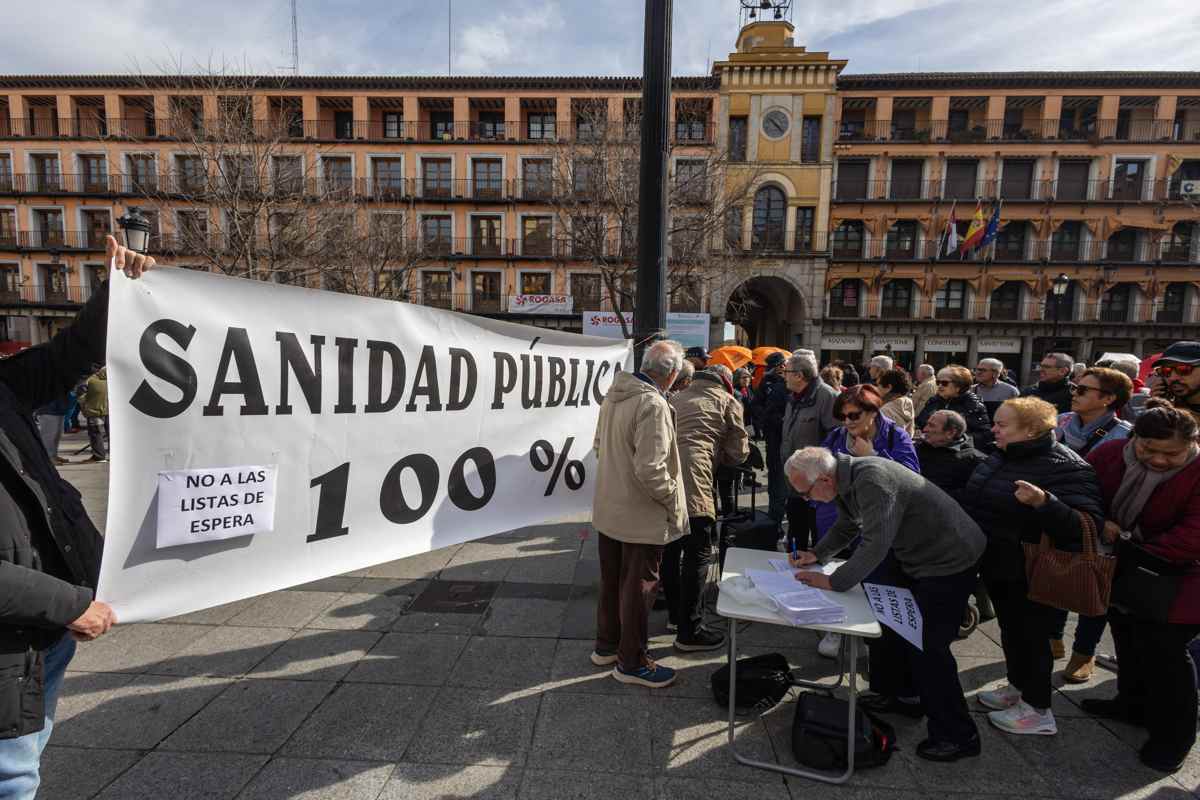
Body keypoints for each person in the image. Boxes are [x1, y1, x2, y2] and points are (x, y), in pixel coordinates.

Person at [0, 235, 151, 799]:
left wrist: (123, 292)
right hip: (18, 641)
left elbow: (68, 355)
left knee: (26, 760)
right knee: (13, 780)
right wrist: (72, 604)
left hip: (38, 639)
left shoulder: (3, 388)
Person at [786, 447, 986, 762]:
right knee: (891, 624)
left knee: (928, 647)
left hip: (949, 559)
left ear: (824, 478)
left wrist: (835, 581)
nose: (809, 500)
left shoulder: (872, 480)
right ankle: (902, 696)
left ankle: (959, 734)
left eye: (807, 492)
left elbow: (875, 543)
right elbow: (848, 525)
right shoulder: (842, 477)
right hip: (915, 554)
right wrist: (818, 554)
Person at [961, 397, 1104, 737]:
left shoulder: (1066, 465)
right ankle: (1017, 687)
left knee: (1034, 638)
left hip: (1032, 570)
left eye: (1002, 425)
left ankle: (1039, 710)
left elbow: (1086, 524)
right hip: (999, 564)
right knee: (1013, 632)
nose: (993, 429)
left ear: (1031, 431)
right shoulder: (1004, 454)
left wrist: (1045, 503)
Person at [1082, 401, 1200, 773]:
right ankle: (1130, 704)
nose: (1159, 461)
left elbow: (1192, 536)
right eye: (1149, 450)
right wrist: (1100, 523)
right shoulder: (1110, 453)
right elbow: (1085, 494)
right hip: (1125, 568)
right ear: (1134, 438)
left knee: (1166, 653)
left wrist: (1129, 546)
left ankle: (1174, 737)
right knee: (1127, 635)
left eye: (1172, 454)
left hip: (1185, 577)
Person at [592, 339, 689, 688]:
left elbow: (599, 446)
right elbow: (651, 469)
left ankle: (607, 646)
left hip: (610, 508)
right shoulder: (652, 404)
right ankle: (631, 662)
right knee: (639, 588)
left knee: (613, 582)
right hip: (640, 514)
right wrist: (672, 499)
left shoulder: (614, 395)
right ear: (673, 374)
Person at [813, 384, 919, 657]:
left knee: (874, 577)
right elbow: (819, 468)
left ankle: (866, 633)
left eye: (854, 415)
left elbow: (911, 478)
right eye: (843, 416)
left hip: (878, 521)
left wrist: (872, 457)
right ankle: (836, 629)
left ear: (873, 412)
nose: (847, 421)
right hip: (838, 519)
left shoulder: (896, 437)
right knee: (834, 573)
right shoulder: (836, 436)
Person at [1045, 367, 1134, 681]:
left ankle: (1085, 652)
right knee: (1054, 575)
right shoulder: (1061, 422)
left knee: (1095, 588)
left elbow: (1128, 487)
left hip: (1102, 520)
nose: (1075, 393)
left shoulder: (1125, 434)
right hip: (1059, 513)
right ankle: (1053, 638)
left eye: (1083, 390)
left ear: (1108, 399)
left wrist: (1109, 519)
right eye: (1075, 387)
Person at [666, 364, 748, 652]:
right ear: (726, 382)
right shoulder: (728, 401)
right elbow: (738, 453)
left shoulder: (675, 396)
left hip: (664, 481)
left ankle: (675, 616)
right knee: (698, 553)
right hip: (695, 483)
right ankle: (690, 630)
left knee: (671, 549)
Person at [779, 353, 838, 552]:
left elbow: (836, 440)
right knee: (796, 533)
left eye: (786, 372)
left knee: (819, 535)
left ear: (799, 375)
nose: (783, 376)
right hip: (796, 482)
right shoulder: (794, 397)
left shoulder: (827, 397)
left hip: (817, 485)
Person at [915, 365, 994, 451]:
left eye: (945, 383)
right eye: (938, 382)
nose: (940, 386)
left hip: (957, 453)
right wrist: (918, 430)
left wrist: (955, 440)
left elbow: (984, 434)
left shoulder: (973, 404)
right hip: (928, 449)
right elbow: (920, 422)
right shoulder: (934, 400)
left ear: (958, 386)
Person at [753, 352, 791, 522]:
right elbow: (756, 405)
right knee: (775, 476)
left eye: (780, 365)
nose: (779, 369)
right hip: (773, 437)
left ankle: (786, 512)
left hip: (790, 438)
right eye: (776, 367)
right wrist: (765, 419)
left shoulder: (792, 382)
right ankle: (774, 514)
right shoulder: (765, 382)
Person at [1150, 341, 1200, 426]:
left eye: (1184, 369)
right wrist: (1156, 411)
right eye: (1165, 371)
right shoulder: (1165, 408)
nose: (1172, 378)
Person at [81, 367, 109, 463]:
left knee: (96, 434)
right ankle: (116, 456)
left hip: (94, 411)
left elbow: (80, 394)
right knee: (113, 435)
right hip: (111, 411)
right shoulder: (113, 377)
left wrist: (85, 408)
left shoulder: (89, 379)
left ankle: (99, 456)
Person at [35, 394, 71, 466]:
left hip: (60, 408)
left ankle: (54, 455)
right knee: (49, 436)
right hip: (48, 409)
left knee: (57, 435)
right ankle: (48, 458)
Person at [878, 368, 914, 436]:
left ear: (889, 387)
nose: (876, 388)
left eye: (878, 385)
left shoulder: (885, 411)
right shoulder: (908, 403)